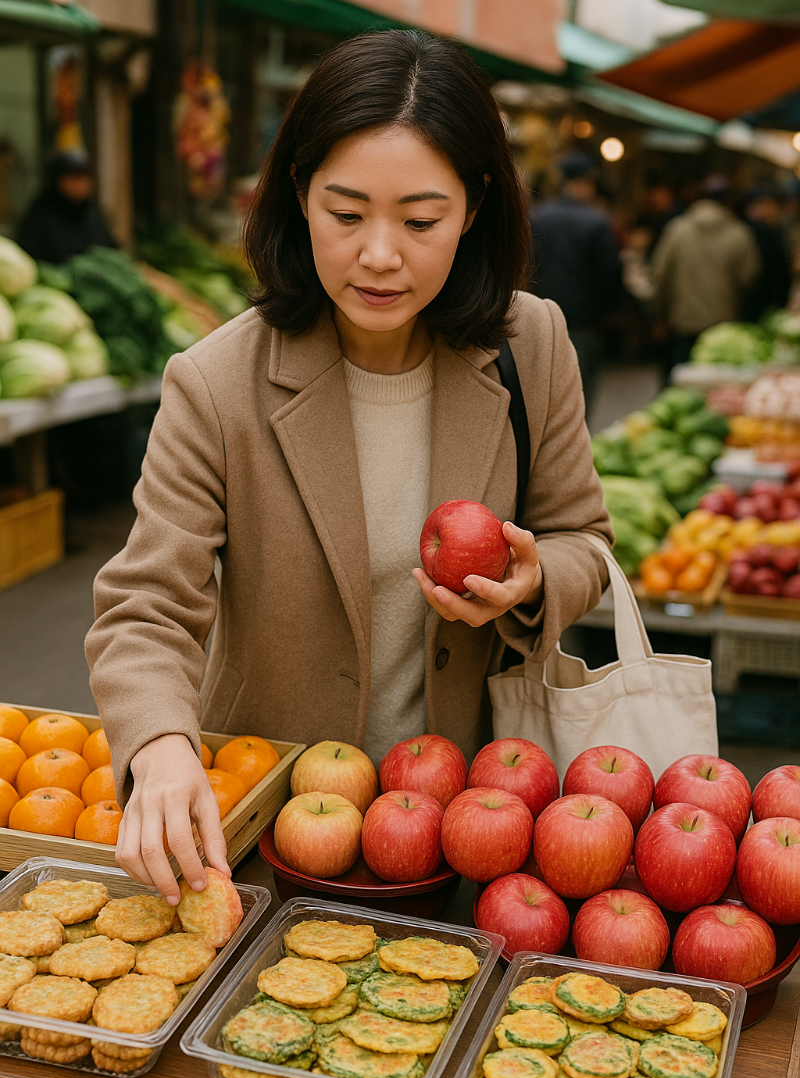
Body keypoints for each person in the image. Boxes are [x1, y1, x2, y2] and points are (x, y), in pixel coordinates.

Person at [85, 31, 612, 905]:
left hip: (472, 830)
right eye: (345, 212)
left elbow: (584, 541)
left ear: (476, 206)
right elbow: (146, 606)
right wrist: (159, 743)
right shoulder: (216, 382)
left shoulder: (533, 344)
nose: (378, 254)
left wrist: (530, 578)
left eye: (419, 220)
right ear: (297, 196)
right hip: (269, 830)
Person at [528, 152, 621, 413]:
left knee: (542, 391)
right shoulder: (597, 221)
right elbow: (609, 274)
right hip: (584, 320)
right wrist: (610, 313)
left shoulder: (537, 216)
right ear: (587, 183)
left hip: (540, 314)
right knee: (579, 392)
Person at [652, 175, 762, 369]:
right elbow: (749, 277)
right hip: (723, 321)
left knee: (682, 380)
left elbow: (660, 273)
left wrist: (659, 312)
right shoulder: (739, 233)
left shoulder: (678, 229)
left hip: (682, 320)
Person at [15, 149, 115, 264]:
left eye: (84, 178)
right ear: (58, 181)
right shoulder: (40, 220)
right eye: (73, 178)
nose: (80, 185)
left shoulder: (92, 217)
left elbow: (111, 253)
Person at [741, 183, 792, 321]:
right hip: (756, 304)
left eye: (766, 205)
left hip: (773, 305)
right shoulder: (751, 233)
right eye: (757, 205)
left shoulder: (780, 232)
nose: (761, 210)